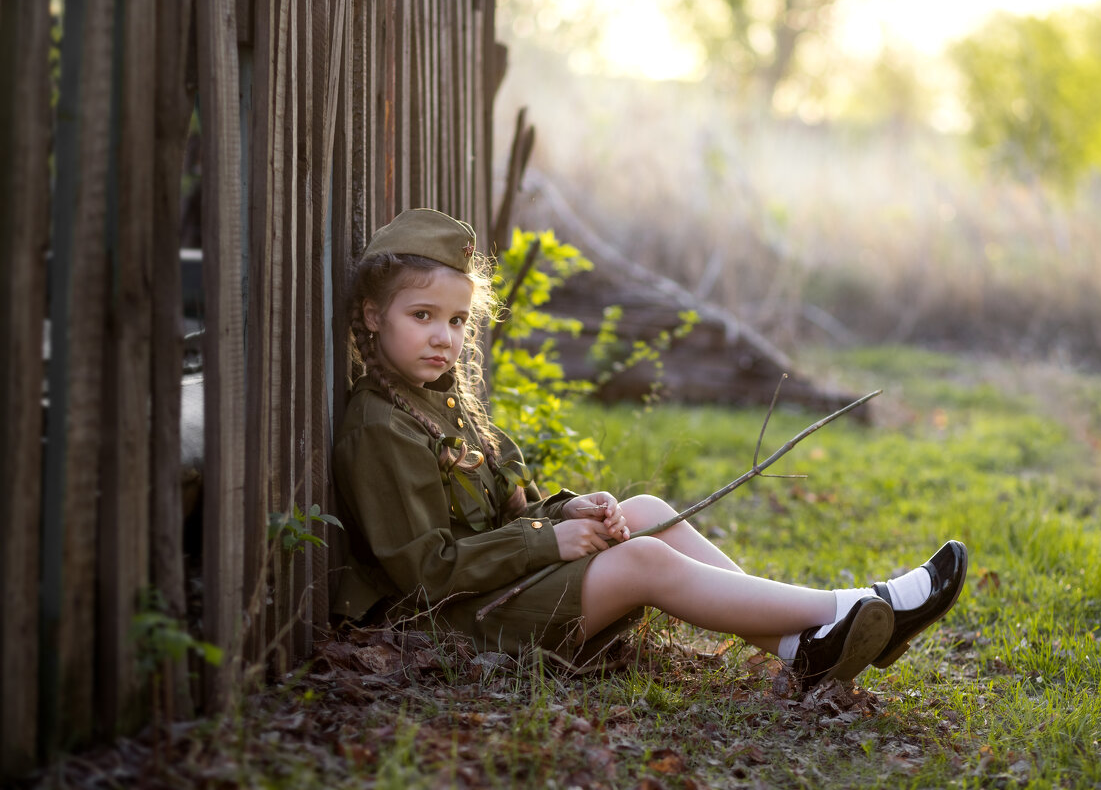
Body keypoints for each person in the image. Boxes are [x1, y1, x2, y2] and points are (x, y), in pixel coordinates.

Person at [331, 208, 967, 693]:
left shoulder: (445, 401)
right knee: (643, 561)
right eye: (422, 316)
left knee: (644, 509)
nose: (444, 338)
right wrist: (546, 544)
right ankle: (850, 606)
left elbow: (501, 514)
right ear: (370, 316)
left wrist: (568, 512)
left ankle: (805, 648)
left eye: (457, 320)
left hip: (494, 595)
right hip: (456, 625)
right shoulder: (380, 426)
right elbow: (425, 573)